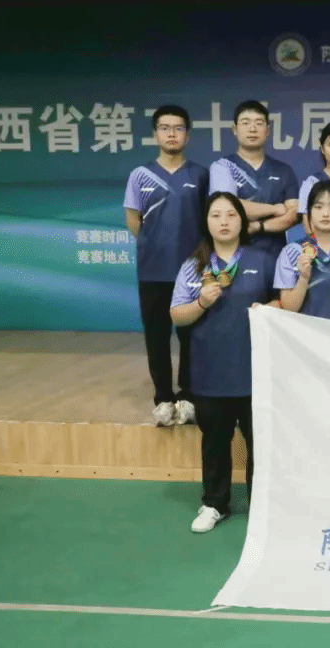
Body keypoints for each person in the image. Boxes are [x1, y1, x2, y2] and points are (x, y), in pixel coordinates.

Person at [169, 192, 278, 533]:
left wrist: (269, 308)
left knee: (260, 443)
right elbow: (177, 314)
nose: (224, 221)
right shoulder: (194, 266)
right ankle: (215, 503)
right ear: (207, 223)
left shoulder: (263, 259)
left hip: (255, 371)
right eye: (216, 215)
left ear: (242, 221)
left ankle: (262, 506)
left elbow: (282, 301)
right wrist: (201, 302)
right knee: (215, 441)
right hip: (210, 372)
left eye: (231, 214)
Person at [123, 105, 209, 427]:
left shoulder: (201, 175)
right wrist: (155, 245)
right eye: (165, 127)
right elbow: (134, 221)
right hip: (153, 270)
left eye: (178, 128)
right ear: (155, 134)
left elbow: (208, 221)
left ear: (188, 134)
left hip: (191, 272)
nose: (172, 134)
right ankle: (163, 397)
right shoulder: (139, 175)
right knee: (156, 335)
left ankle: (188, 395)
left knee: (191, 336)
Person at [208, 100, 299, 263]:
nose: (252, 129)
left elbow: (293, 214)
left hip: (276, 259)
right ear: (234, 129)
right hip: (233, 260)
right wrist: (274, 209)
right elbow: (229, 207)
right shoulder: (222, 167)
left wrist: (259, 226)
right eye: (245, 123)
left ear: (267, 130)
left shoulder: (283, 170)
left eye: (259, 123)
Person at [276, 180, 330, 322]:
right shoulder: (291, 251)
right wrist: (303, 278)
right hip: (305, 334)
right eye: (318, 207)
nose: (325, 214)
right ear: (309, 213)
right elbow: (288, 308)